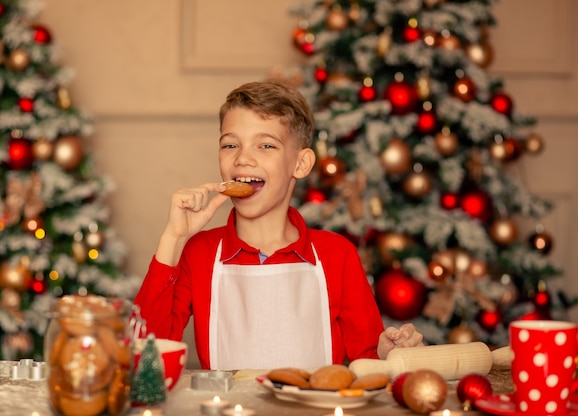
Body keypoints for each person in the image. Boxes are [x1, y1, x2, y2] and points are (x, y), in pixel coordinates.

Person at [134, 80, 423, 370]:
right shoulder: (200, 253)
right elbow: (147, 355)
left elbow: (368, 364)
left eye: (266, 145)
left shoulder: (337, 255)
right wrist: (173, 237)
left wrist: (387, 355)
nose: (243, 158)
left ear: (300, 164)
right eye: (230, 144)